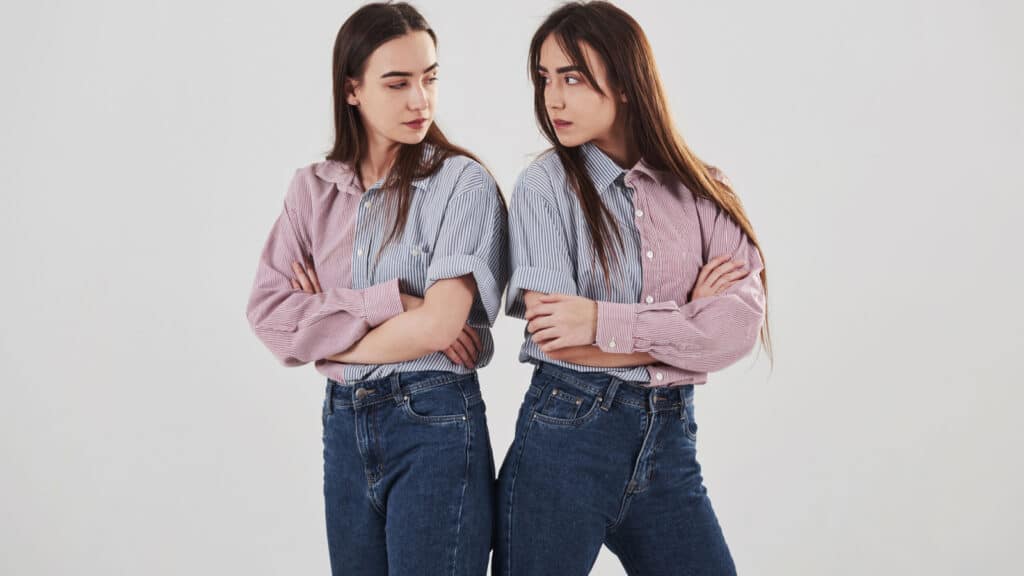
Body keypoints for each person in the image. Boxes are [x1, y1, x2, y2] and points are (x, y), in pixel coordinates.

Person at [495, 2, 772, 574]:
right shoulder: (545, 186)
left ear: (623, 81)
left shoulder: (702, 189)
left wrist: (602, 322)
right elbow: (555, 336)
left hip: (670, 448)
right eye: (545, 78)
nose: (554, 98)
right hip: (564, 441)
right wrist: (688, 320)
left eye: (572, 77)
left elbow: (738, 329)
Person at [244, 4, 507, 574]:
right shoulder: (311, 190)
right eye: (398, 83)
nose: (421, 100)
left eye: (429, 78)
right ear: (352, 90)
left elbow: (439, 327)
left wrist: (320, 333)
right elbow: (268, 317)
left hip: (434, 421)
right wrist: (392, 304)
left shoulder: (461, 183)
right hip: (342, 425)